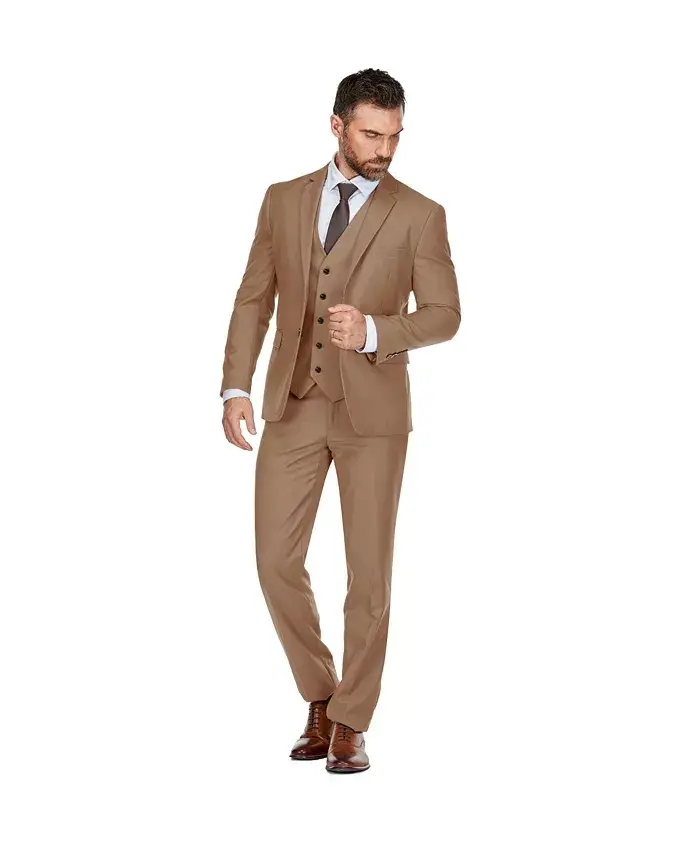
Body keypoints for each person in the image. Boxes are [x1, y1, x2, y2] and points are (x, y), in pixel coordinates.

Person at [220, 68, 460, 773]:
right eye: (371, 134)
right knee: (274, 562)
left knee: (368, 576)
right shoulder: (282, 199)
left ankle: (351, 720)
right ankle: (321, 694)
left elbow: (446, 315)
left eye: (395, 136)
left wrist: (378, 331)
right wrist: (235, 386)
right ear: (337, 127)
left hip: (373, 416)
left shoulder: (420, 214)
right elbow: (253, 298)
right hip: (293, 404)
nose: (385, 149)